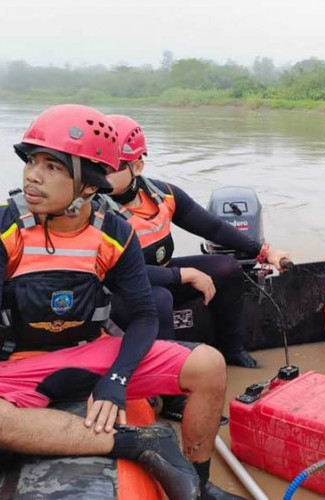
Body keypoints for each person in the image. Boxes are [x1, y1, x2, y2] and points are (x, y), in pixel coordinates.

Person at [0, 104, 243, 500]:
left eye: (53, 166)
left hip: (92, 352)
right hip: (18, 366)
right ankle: (138, 442)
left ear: (89, 186)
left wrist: (117, 380)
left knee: (209, 365)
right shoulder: (6, 228)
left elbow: (146, 316)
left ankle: (198, 483)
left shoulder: (114, 233)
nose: (33, 176)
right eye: (32, 161)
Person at [102, 114, 289, 369]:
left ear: (136, 167)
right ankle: (169, 381)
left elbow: (213, 227)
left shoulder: (162, 194)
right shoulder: (93, 211)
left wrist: (265, 252)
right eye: (94, 165)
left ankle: (231, 349)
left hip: (162, 275)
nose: (98, 176)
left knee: (227, 268)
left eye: (110, 167)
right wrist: (182, 275)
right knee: (159, 299)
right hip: (114, 294)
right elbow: (116, 276)